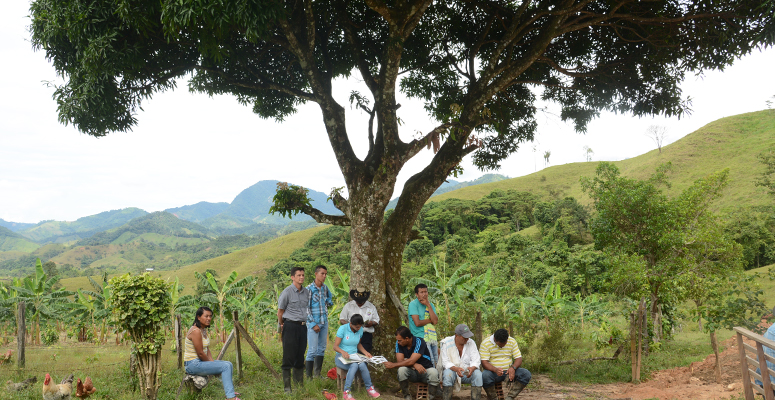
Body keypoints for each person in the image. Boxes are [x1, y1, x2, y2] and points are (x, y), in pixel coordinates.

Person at [184, 306, 240, 400]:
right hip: (192, 364)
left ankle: (229, 391)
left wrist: (213, 364)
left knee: (229, 364)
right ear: (198, 317)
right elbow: (201, 353)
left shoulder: (203, 330)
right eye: (206, 316)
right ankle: (230, 397)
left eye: (210, 316)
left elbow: (207, 349)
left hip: (199, 363)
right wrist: (212, 366)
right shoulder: (196, 331)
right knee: (225, 366)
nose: (209, 318)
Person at [278, 266, 310, 393]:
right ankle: (287, 387)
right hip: (290, 326)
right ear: (292, 277)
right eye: (298, 275)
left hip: (303, 326)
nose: (301, 277)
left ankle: (299, 384)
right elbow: (280, 312)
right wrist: (282, 325)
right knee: (288, 355)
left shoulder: (306, 292)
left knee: (300, 354)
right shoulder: (287, 292)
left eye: (303, 275)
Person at [384, 326, 440, 400]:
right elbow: (400, 361)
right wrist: (414, 364)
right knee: (401, 370)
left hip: (425, 371)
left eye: (400, 340)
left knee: (434, 372)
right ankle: (407, 396)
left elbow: (411, 360)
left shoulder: (419, 341)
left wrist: (393, 365)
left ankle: (431, 397)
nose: (398, 342)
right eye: (398, 340)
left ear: (407, 339)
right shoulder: (399, 343)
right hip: (412, 372)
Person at [334, 314, 381, 400]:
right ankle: (346, 392)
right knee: (355, 365)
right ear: (351, 323)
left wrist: (366, 353)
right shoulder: (343, 329)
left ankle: (369, 388)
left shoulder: (360, 330)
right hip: (341, 357)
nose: (358, 328)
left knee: (363, 364)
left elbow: (358, 344)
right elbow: (335, 346)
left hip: (354, 356)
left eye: (360, 326)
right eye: (356, 326)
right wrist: (343, 352)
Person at [479, 329, 531, 400]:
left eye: (504, 344)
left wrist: (513, 368)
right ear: (495, 339)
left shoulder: (512, 341)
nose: (502, 346)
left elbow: (519, 358)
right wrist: (495, 369)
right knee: (485, 376)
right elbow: (484, 362)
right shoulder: (485, 343)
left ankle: (510, 398)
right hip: (493, 372)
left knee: (526, 374)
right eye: (500, 345)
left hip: (509, 372)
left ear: (507, 339)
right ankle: (493, 398)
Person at [439, 324, 482, 400]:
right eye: (464, 337)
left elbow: (476, 359)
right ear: (457, 336)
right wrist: (456, 369)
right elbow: (445, 362)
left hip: (467, 372)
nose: (467, 339)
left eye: (468, 337)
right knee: (447, 374)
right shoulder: (446, 343)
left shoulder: (471, 342)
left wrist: (472, 368)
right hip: (453, 372)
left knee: (478, 374)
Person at [306, 265, 334, 378]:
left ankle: (317, 374)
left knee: (321, 348)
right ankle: (309, 377)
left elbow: (329, 298)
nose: (324, 276)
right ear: (316, 274)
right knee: (312, 350)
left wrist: (328, 301)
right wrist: (313, 324)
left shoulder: (325, 288)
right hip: (313, 323)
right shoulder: (309, 289)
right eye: (322, 273)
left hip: (324, 322)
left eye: (326, 274)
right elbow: (305, 309)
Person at [339, 286, 380, 353]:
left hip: (365, 336)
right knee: (351, 355)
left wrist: (371, 323)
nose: (359, 302)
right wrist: (351, 326)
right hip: (351, 334)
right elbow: (342, 319)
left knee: (364, 356)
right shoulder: (349, 305)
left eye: (361, 301)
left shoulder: (371, 307)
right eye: (358, 301)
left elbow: (376, 320)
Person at [408, 284, 439, 367]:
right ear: (416, 294)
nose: (424, 294)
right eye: (421, 292)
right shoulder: (413, 304)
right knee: (430, 359)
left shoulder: (430, 305)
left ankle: (436, 376)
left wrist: (428, 305)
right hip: (420, 337)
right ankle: (432, 377)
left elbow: (435, 321)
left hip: (432, 337)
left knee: (436, 359)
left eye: (425, 292)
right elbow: (417, 323)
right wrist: (430, 320)